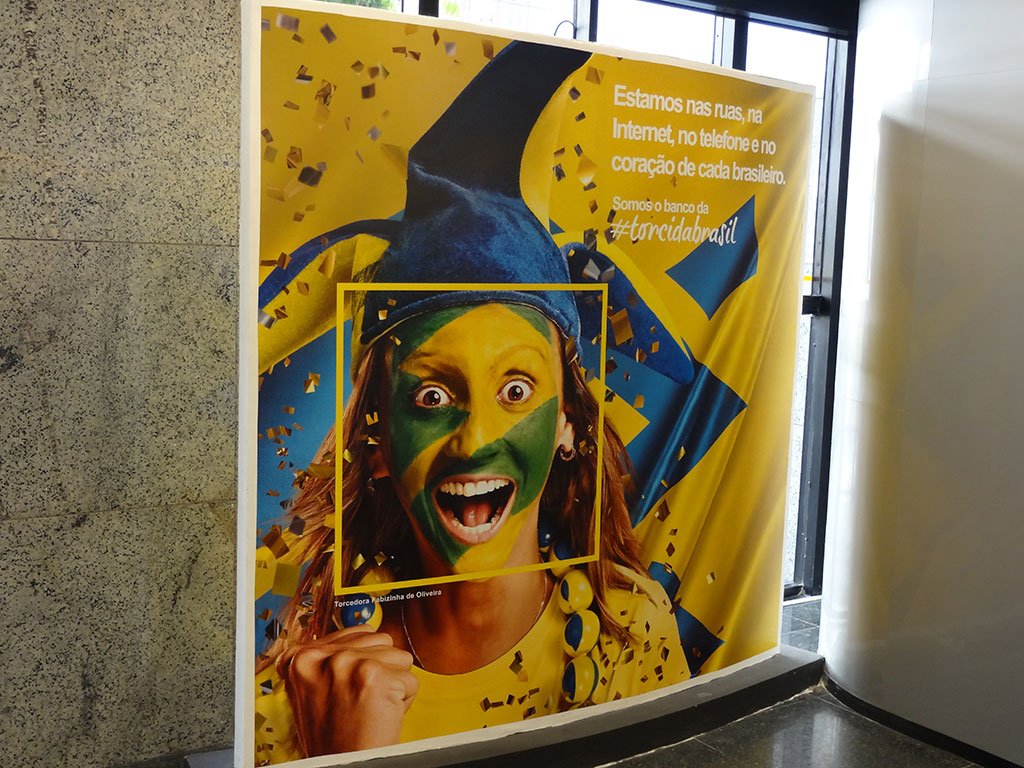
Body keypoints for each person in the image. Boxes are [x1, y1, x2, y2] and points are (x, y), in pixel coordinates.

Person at [252, 40, 690, 764]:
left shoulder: (631, 632)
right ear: (377, 444)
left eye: (516, 390)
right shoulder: (295, 697)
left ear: (568, 427)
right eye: (431, 394)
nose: (477, 437)